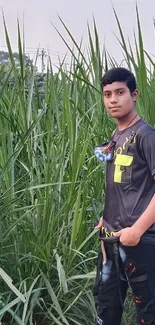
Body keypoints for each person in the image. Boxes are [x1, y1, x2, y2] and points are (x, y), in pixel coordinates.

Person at [94, 67, 155, 325]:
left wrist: (137, 230)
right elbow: (125, 185)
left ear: (135, 95)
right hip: (111, 236)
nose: (113, 100)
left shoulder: (146, 135)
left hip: (138, 241)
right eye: (107, 94)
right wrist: (106, 216)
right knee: (107, 308)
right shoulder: (116, 135)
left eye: (120, 93)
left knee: (148, 313)